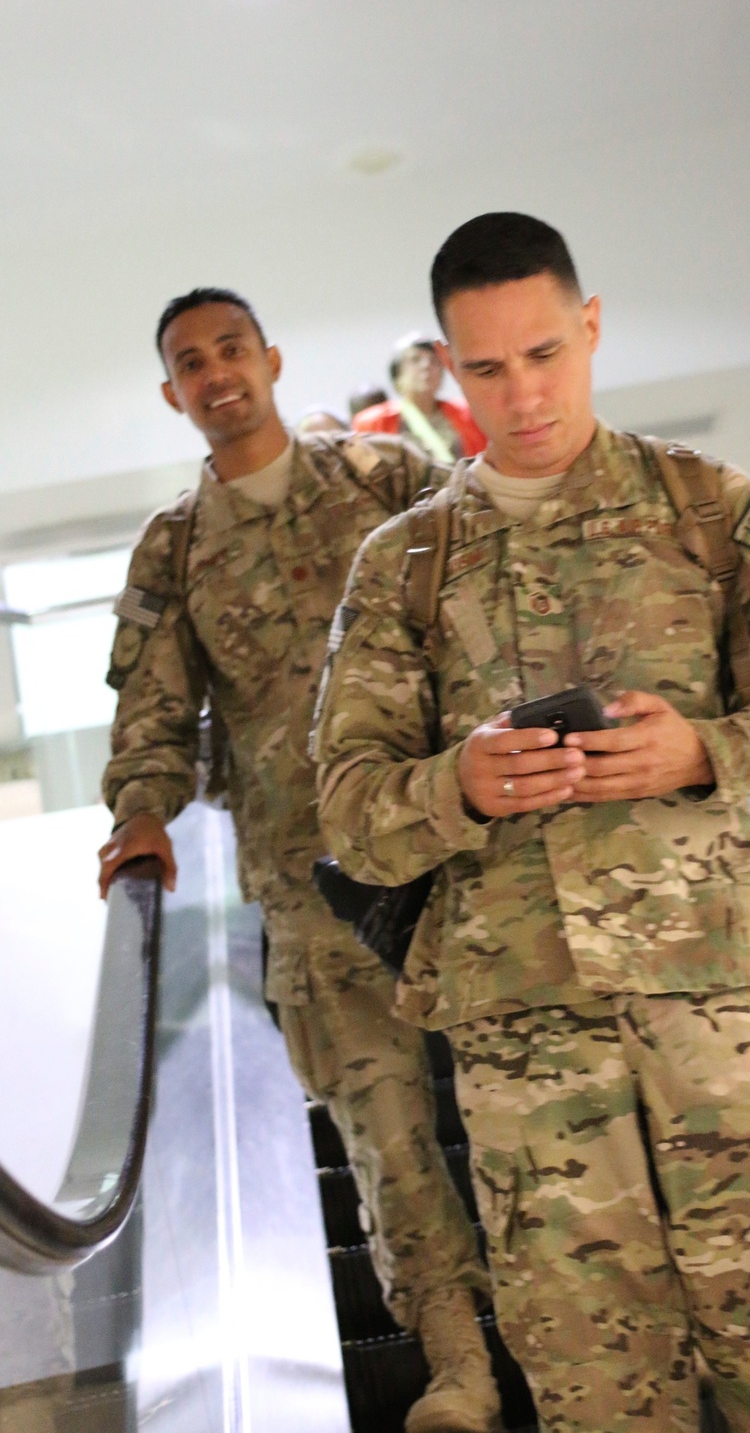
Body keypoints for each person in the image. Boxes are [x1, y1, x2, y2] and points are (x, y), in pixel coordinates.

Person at [312, 214, 750, 1433]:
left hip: (724, 1022)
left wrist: (705, 748)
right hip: (527, 1057)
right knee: (601, 1400)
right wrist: (453, 787)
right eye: (484, 369)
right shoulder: (404, 564)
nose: (521, 396)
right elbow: (349, 813)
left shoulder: (706, 508)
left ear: (590, 327)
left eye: (543, 355)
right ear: (447, 369)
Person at [97, 287, 501, 1433]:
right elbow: (155, 715)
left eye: (232, 348)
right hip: (312, 893)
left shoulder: (382, 484)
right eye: (191, 361)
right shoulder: (173, 553)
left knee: (519, 1099)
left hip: (455, 857)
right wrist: (141, 815)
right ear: (173, 395)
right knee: (385, 1133)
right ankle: (458, 1364)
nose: (217, 372)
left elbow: (494, 580)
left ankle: (570, 1336)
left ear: (271, 360)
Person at [352, 332, 486, 460]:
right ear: (398, 376)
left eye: (434, 361)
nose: (426, 365)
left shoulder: (469, 414)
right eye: (415, 360)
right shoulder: (371, 422)